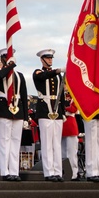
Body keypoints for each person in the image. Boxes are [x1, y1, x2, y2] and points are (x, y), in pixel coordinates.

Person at [0, 48, 28, 181]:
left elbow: (24, 96)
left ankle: (14, 171)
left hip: (17, 109)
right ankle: (5, 170)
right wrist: (10, 66)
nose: (10, 58)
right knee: (4, 141)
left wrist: (26, 117)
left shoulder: (19, 76)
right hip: (3, 108)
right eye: (7, 57)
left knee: (16, 142)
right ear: (2, 59)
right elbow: (0, 76)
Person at [33, 48, 65, 182]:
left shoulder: (58, 76)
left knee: (57, 143)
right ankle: (49, 172)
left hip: (56, 110)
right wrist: (57, 71)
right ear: (42, 60)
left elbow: (61, 94)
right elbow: (42, 77)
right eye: (47, 58)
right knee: (47, 143)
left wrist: (62, 112)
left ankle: (58, 171)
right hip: (44, 110)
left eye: (51, 58)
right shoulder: (38, 72)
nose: (50, 60)